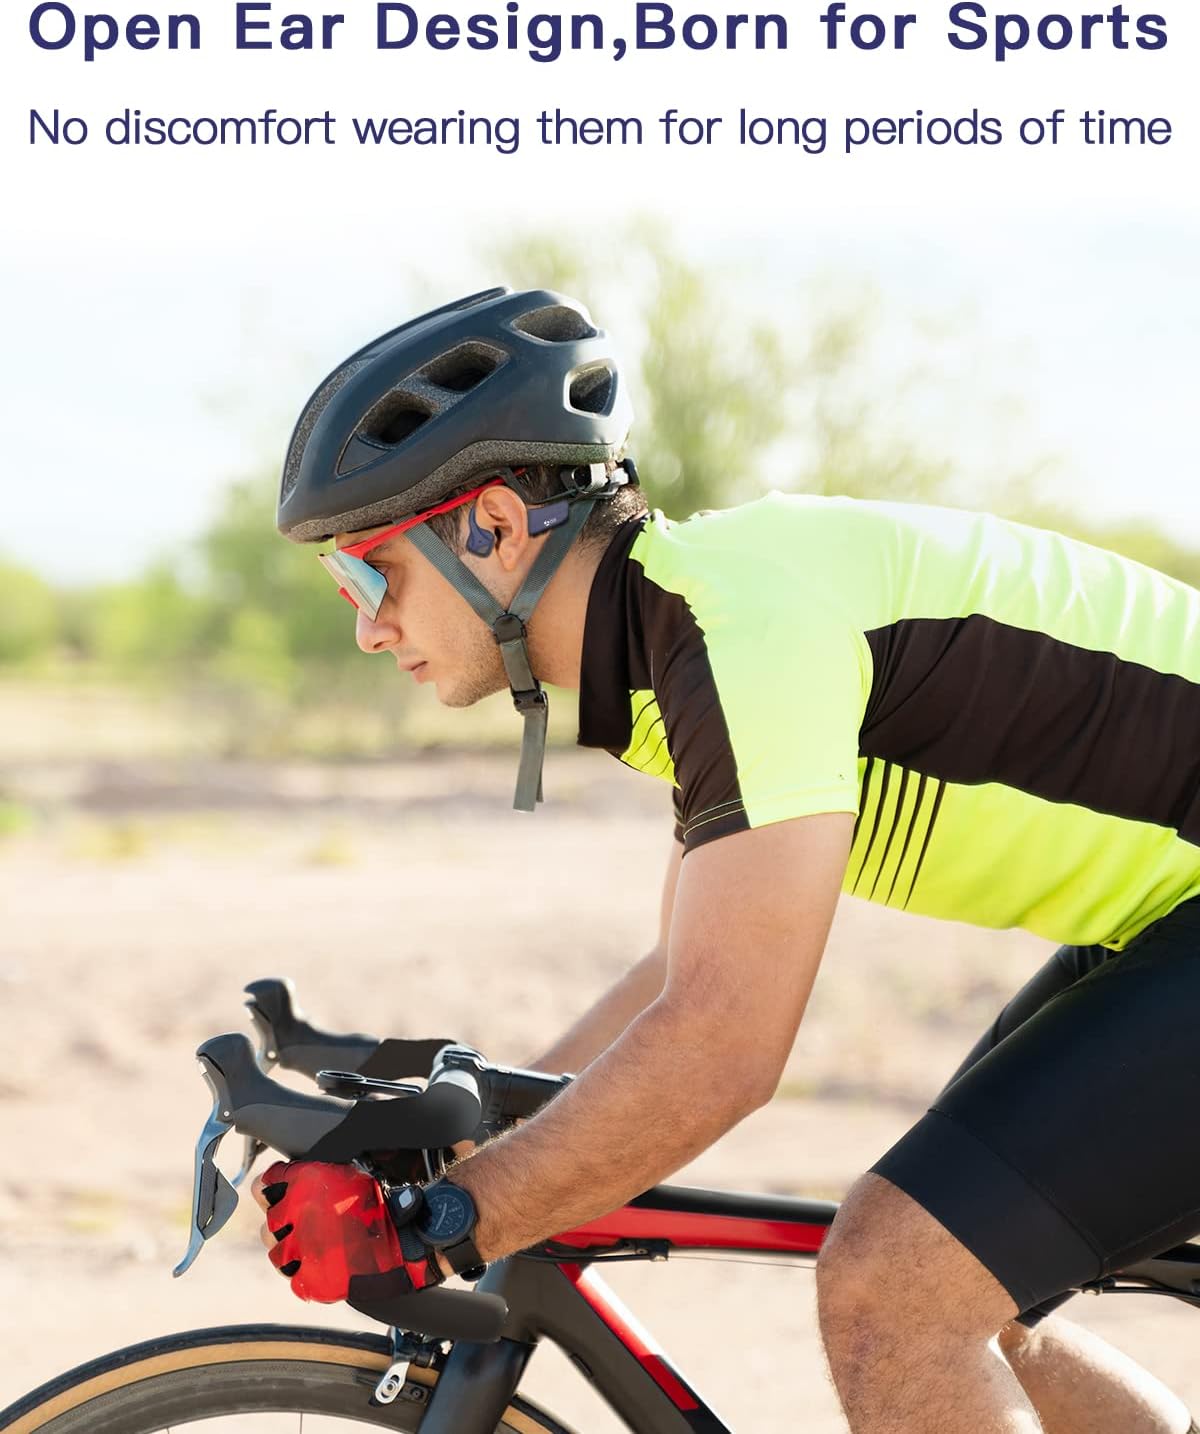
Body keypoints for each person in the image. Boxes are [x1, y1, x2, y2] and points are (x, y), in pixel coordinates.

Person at [255, 285, 1200, 1434]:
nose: (366, 626)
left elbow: (722, 1044)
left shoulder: (737, 627)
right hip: (1157, 923)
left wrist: (455, 1218)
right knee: (973, 1301)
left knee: (897, 1286)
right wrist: (491, 1139)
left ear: (492, 529)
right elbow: (678, 970)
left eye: (368, 574)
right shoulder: (673, 648)